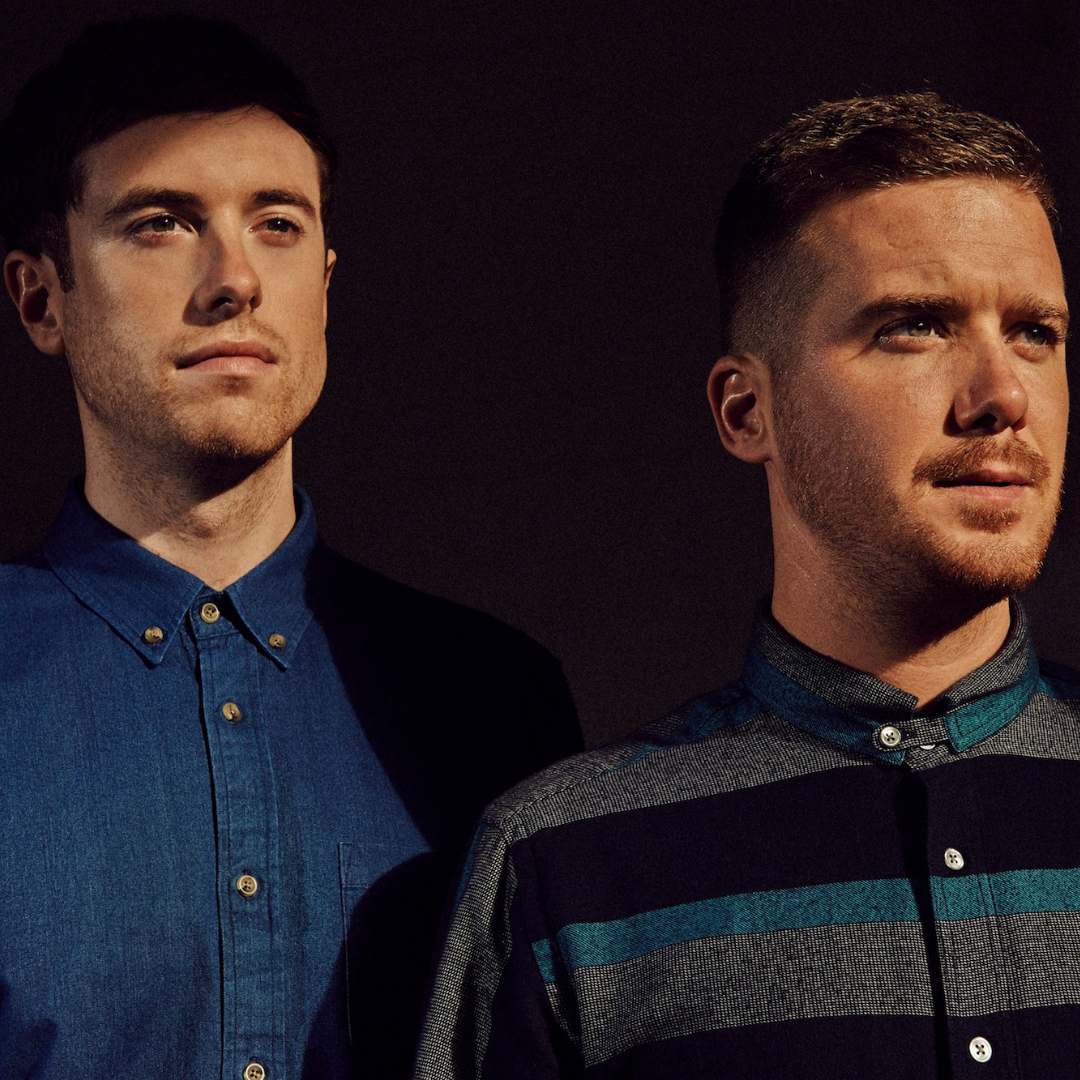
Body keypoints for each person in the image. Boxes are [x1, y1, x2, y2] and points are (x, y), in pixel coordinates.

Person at [414, 92, 1079, 1078]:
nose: (1003, 396)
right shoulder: (567, 867)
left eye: (1036, 332)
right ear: (745, 410)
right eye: (915, 326)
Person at [0, 15, 581, 1079]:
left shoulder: (496, 699)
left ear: (324, 277)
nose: (236, 280)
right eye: (162, 223)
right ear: (41, 297)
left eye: (276, 223)